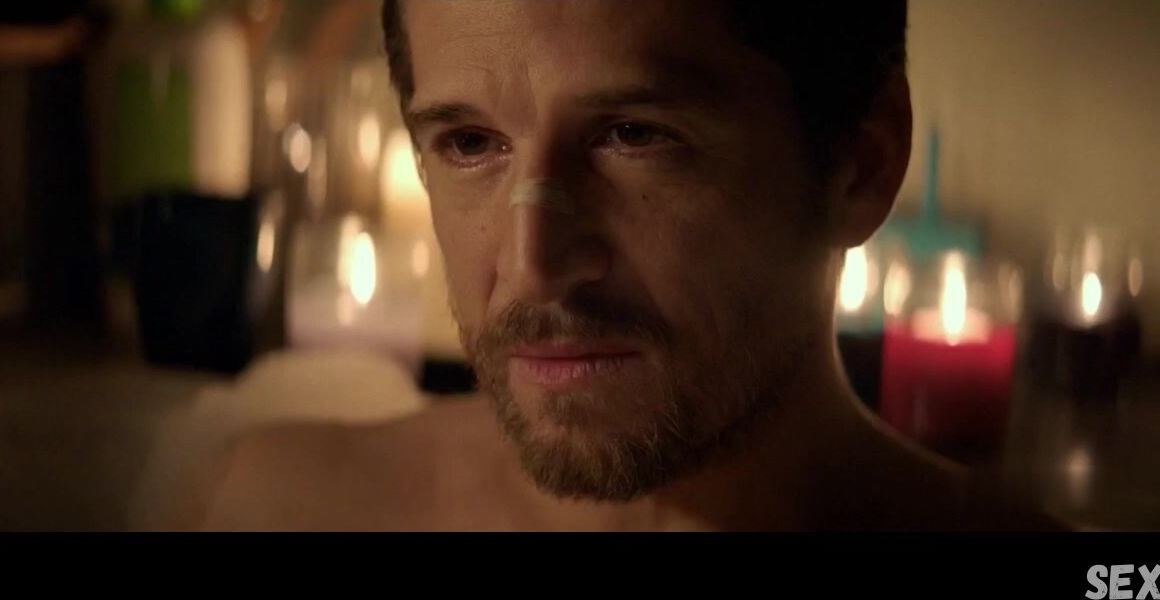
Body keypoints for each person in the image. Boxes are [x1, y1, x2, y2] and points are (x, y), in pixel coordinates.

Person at [199, 0, 1065, 531]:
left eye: (633, 136)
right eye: (469, 143)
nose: (534, 267)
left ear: (860, 167)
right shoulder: (282, 507)